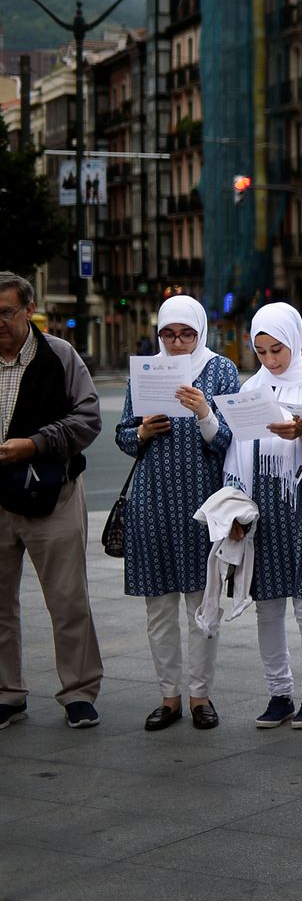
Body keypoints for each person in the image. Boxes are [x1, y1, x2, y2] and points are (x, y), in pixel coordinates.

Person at [118, 295, 240, 732]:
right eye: (169, 334)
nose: (177, 342)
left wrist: (204, 411)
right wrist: (142, 430)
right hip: (153, 501)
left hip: (202, 503)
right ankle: (169, 696)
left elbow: (230, 440)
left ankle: (200, 696)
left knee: (202, 606)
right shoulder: (148, 370)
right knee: (159, 606)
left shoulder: (220, 370)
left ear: (200, 333)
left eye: (186, 334)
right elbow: (124, 439)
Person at [224, 303, 302, 731]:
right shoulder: (251, 387)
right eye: (262, 351)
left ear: (295, 341)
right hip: (258, 506)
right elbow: (235, 450)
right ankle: (278, 693)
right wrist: (234, 506)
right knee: (267, 607)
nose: (271, 360)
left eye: (278, 350)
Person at [0, 272, 104, 731]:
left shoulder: (59, 355)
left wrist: (35, 444)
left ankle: (79, 692)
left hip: (52, 493)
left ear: (28, 309)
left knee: (68, 600)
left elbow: (88, 419)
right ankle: (8, 694)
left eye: (6, 312)